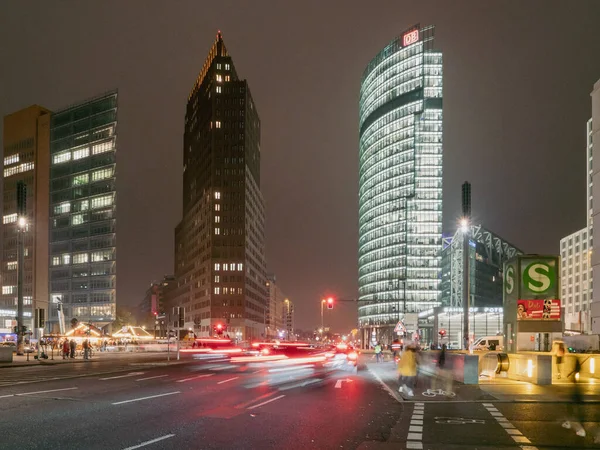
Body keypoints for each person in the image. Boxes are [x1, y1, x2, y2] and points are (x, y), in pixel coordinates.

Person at [562, 358, 586, 437]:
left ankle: (571, 422)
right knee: (575, 406)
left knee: (572, 406)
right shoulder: (577, 373)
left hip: (576, 393)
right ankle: (573, 420)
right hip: (576, 393)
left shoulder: (576, 375)